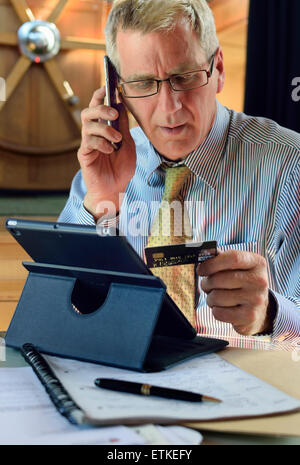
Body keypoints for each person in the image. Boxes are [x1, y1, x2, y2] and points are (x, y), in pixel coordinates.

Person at [59, 0, 300, 347]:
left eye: (183, 78)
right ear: (117, 89)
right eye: (143, 83)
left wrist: (271, 313)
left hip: (247, 394)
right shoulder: (101, 168)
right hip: (124, 387)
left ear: (217, 68)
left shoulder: (289, 167)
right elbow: (63, 310)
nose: (170, 108)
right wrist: (100, 201)